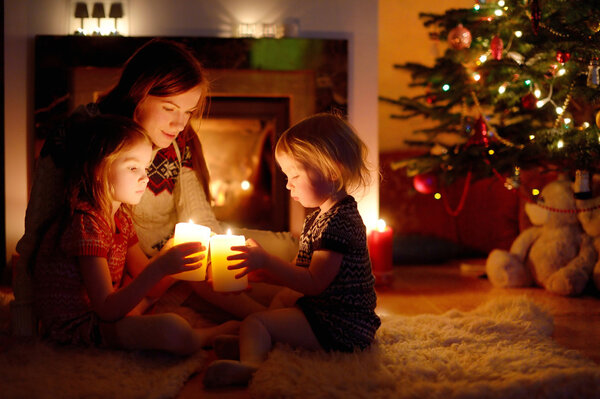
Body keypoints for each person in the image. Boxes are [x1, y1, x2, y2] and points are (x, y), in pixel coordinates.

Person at [13, 38, 296, 335]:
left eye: (188, 112)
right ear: (139, 92)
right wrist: (23, 310)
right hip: (142, 269)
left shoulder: (178, 141)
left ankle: (287, 310)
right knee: (222, 286)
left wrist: (216, 249)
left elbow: (198, 212)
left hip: (175, 249)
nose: (180, 123)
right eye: (170, 108)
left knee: (284, 247)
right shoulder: (88, 140)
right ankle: (269, 323)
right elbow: (36, 230)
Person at [202, 113, 381, 387]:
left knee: (256, 321)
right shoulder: (320, 216)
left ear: (332, 171)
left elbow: (314, 283)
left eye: (294, 175)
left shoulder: (340, 222)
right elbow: (299, 272)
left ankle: (251, 365)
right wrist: (261, 271)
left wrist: (267, 261)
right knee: (282, 299)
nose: (288, 185)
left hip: (342, 325)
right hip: (326, 310)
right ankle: (255, 342)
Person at [33, 115, 239, 353]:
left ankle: (241, 321)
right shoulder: (86, 224)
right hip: (81, 326)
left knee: (178, 289)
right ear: (98, 170)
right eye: (133, 168)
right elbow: (106, 308)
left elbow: (148, 284)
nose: (145, 178)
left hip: (107, 314)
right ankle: (204, 338)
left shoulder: (121, 218)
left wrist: (174, 257)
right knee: (171, 328)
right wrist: (161, 266)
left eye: (146, 168)